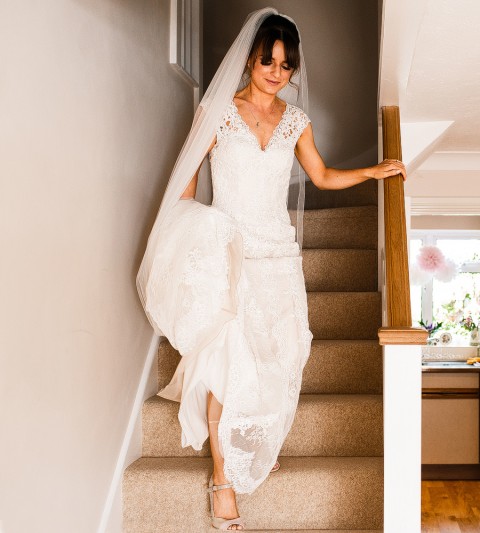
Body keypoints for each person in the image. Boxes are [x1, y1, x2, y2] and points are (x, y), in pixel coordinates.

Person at [136, 8, 405, 531]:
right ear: (251, 61)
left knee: (280, 355)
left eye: (285, 64)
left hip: (279, 254)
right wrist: (197, 241)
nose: (276, 71)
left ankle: (254, 444)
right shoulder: (218, 113)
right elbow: (186, 185)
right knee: (227, 367)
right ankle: (222, 480)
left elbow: (322, 176)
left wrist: (374, 171)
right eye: (267, 61)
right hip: (232, 253)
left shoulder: (296, 121)